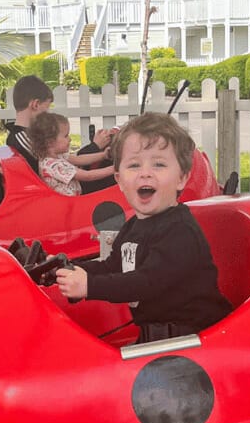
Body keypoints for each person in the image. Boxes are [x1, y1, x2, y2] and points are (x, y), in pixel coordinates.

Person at [56, 112, 231, 343]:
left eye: (158, 164)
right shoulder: (134, 227)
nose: (145, 173)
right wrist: (68, 267)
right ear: (119, 180)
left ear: (181, 178)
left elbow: (146, 283)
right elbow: (112, 266)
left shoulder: (180, 231)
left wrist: (89, 286)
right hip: (158, 338)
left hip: (194, 341)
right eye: (134, 165)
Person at [29, 112, 114, 196]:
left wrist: (103, 155)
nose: (70, 139)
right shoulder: (54, 166)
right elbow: (88, 176)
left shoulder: (56, 156)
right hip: (69, 204)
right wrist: (115, 168)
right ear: (50, 142)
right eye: (66, 136)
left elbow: (79, 159)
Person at [5, 75, 54, 173]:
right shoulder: (22, 137)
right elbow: (50, 163)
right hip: (41, 186)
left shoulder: (20, 135)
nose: (47, 112)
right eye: (47, 107)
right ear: (35, 104)